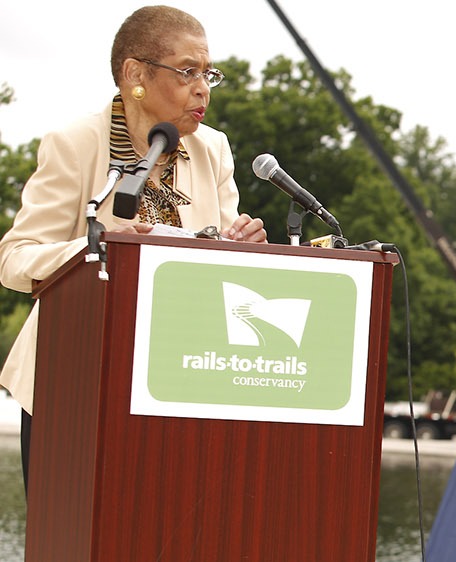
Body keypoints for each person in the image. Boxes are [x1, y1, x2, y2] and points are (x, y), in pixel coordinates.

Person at [0, 5, 268, 491]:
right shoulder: (76, 143)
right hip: (75, 377)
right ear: (135, 74)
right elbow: (15, 259)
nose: (203, 88)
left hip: (179, 375)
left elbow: (222, 258)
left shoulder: (214, 149)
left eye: (208, 74)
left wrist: (244, 247)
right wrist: (100, 248)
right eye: (188, 72)